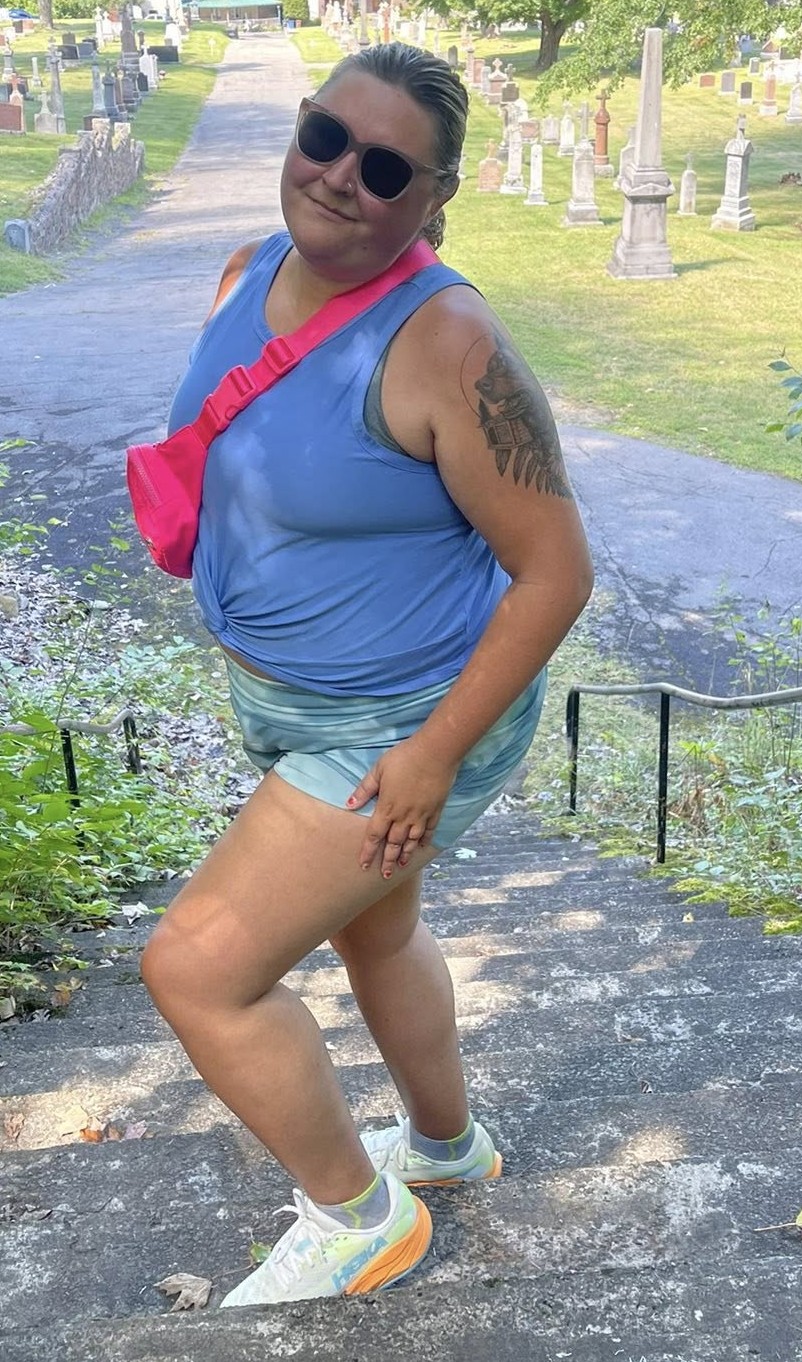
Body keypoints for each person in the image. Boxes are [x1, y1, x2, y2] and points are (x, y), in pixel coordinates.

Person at [139, 41, 593, 1308]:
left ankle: (362, 1218)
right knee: (377, 928)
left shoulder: (449, 344)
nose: (341, 176)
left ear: (432, 198)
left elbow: (556, 574)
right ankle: (446, 1149)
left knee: (198, 969)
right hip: (291, 700)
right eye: (325, 136)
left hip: (400, 722)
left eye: (386, 169)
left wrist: (432, 757)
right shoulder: (248, 269)